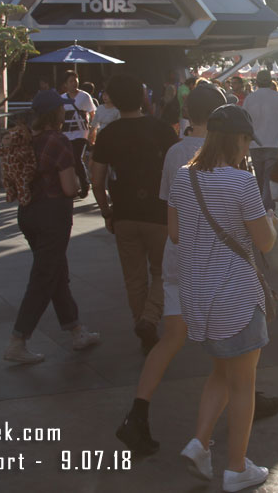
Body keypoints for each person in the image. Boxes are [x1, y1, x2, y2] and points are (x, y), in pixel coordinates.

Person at [168, 104, 277, 492]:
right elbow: (264, 241)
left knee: (220, 372)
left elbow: (176, 232)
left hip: (198, 296)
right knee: (243, 384)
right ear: (239, 140)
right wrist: (271, 224)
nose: (248, 149)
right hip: (236, 296)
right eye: (247, 142)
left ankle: (199, 443)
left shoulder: (183, 178)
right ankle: (236, 468)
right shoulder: (241, 183)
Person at [3, 90, 100, 363]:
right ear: (56, 113)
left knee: (56, 271)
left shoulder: (25, 139)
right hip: (53, 215)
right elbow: (69, 186)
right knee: (44, 276)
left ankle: (77, 331)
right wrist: (81, 186)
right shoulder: (57, 141)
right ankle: (18, 340)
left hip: (28, 212)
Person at [91, 74, 180, 354]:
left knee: (133, 276)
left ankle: (142, 324)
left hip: (124, 213)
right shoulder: (162, 130)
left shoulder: (108, 134)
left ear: (113, 101)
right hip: (158, 212)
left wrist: (106, 211)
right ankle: (150, 318)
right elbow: (177, 172)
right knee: (162, 272)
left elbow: (96, 179)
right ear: (143, 98)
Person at [241, 70, 278, 212]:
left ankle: (262, 205)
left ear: (256, 82)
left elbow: (245, 119)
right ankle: (267, 206)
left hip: (255, 143)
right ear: (271, 81)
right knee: (269, 178)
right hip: (274, 142)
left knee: (260, 177)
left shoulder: (250, 98)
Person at [60, 70, 97, 198]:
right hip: (66, 132)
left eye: (76, 81)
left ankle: (85, 184)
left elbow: (92, 113)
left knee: (76, 157)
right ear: (66, 84)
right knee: (69, 159)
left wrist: (93, 131)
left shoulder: (84, 96)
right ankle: (73, 184)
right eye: (71, 81)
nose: (74, 84)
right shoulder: (62, 98)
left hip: (81, 132)